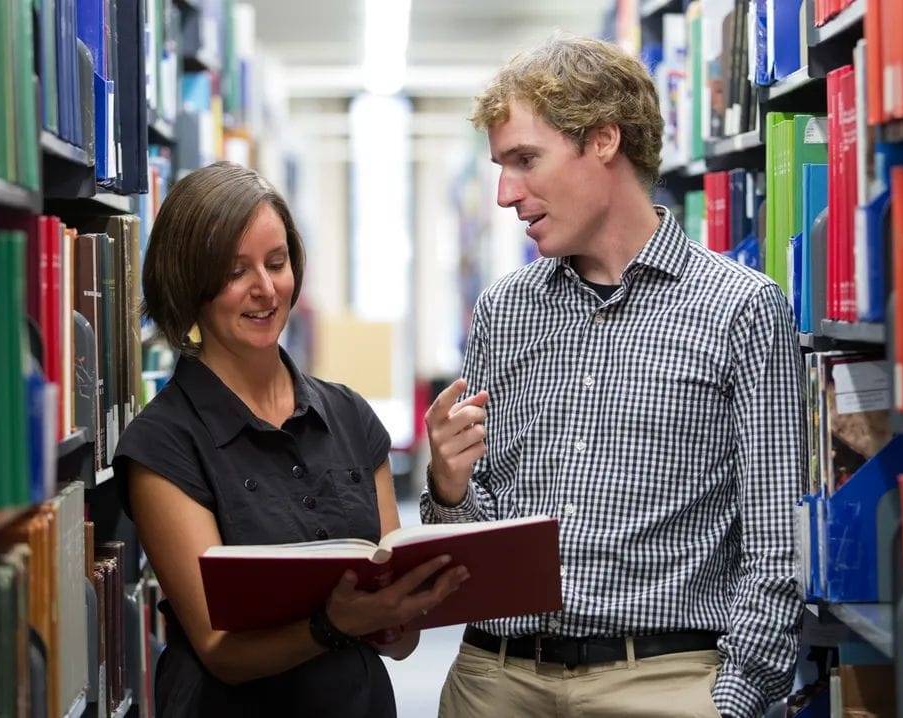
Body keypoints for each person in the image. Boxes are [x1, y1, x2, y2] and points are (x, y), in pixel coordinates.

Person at [421, 35, 805, 718]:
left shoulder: (741, 309)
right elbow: (468, 550)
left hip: (661, 682)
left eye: (524, 160)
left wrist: (733, 699)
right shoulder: (504, 311)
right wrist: (448, 490)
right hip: (494, 679)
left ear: (603, 140)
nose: (506, 193)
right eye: (500, 167)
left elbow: (776, 545)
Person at [114, 161, 468, 717]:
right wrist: (332, 625)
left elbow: (402, 643)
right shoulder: (162, 444)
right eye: (235, 272)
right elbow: (221, 652)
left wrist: (405, 603)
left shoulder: (350, 415)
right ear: (190, 283)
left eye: (277, 263)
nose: (266, 289)